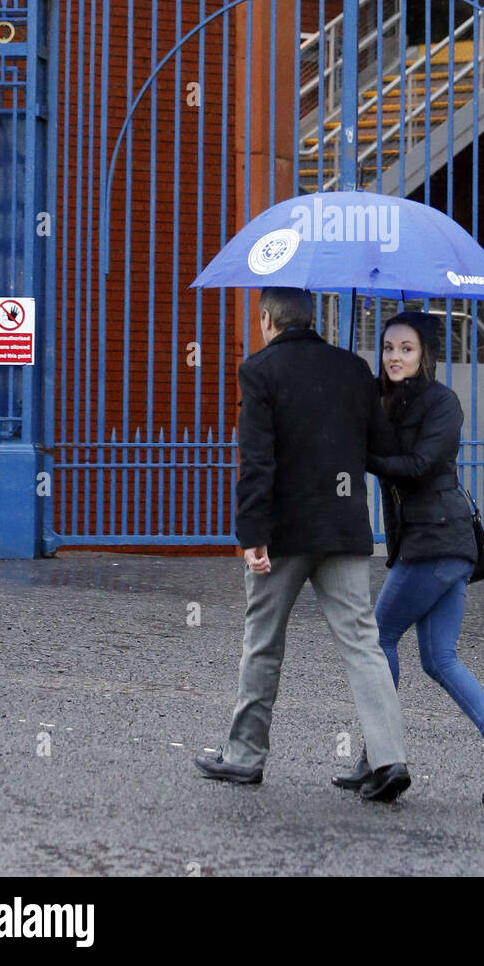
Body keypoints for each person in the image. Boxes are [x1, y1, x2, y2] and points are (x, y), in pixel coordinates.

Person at [195, 286, 411, 803]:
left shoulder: (260, 371)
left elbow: (257, 463)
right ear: (313, 320)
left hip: (284, 535)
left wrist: (252, 536)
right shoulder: (353, 369)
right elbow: (380, 450)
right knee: (363, 642)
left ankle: (245, 757)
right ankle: (389, 759)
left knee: (264, 642)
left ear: (267, 319)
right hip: (342, 528)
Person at [332, 310, 484, 804]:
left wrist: (366, 455)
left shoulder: (443, 402)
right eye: (387, 348)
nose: (395, 356)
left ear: (424, 354)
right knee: (438, 657)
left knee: (377, 636)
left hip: (440, 541)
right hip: (432, 546)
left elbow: (421, 465)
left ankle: (381, 757)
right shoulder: (384, 404)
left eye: (406, 348)